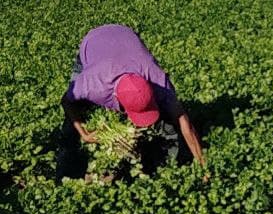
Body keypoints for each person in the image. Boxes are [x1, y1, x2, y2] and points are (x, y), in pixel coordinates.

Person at [58, 24, 206, 178]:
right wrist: (84, 133)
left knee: (167, 118)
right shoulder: (91, 85)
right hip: (93, 42)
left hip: (125, 36)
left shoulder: (157, 79)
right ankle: (68, 171)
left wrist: (203, 166)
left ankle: (160, 165)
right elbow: (66, 101)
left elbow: (183, 120)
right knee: (71, 126)